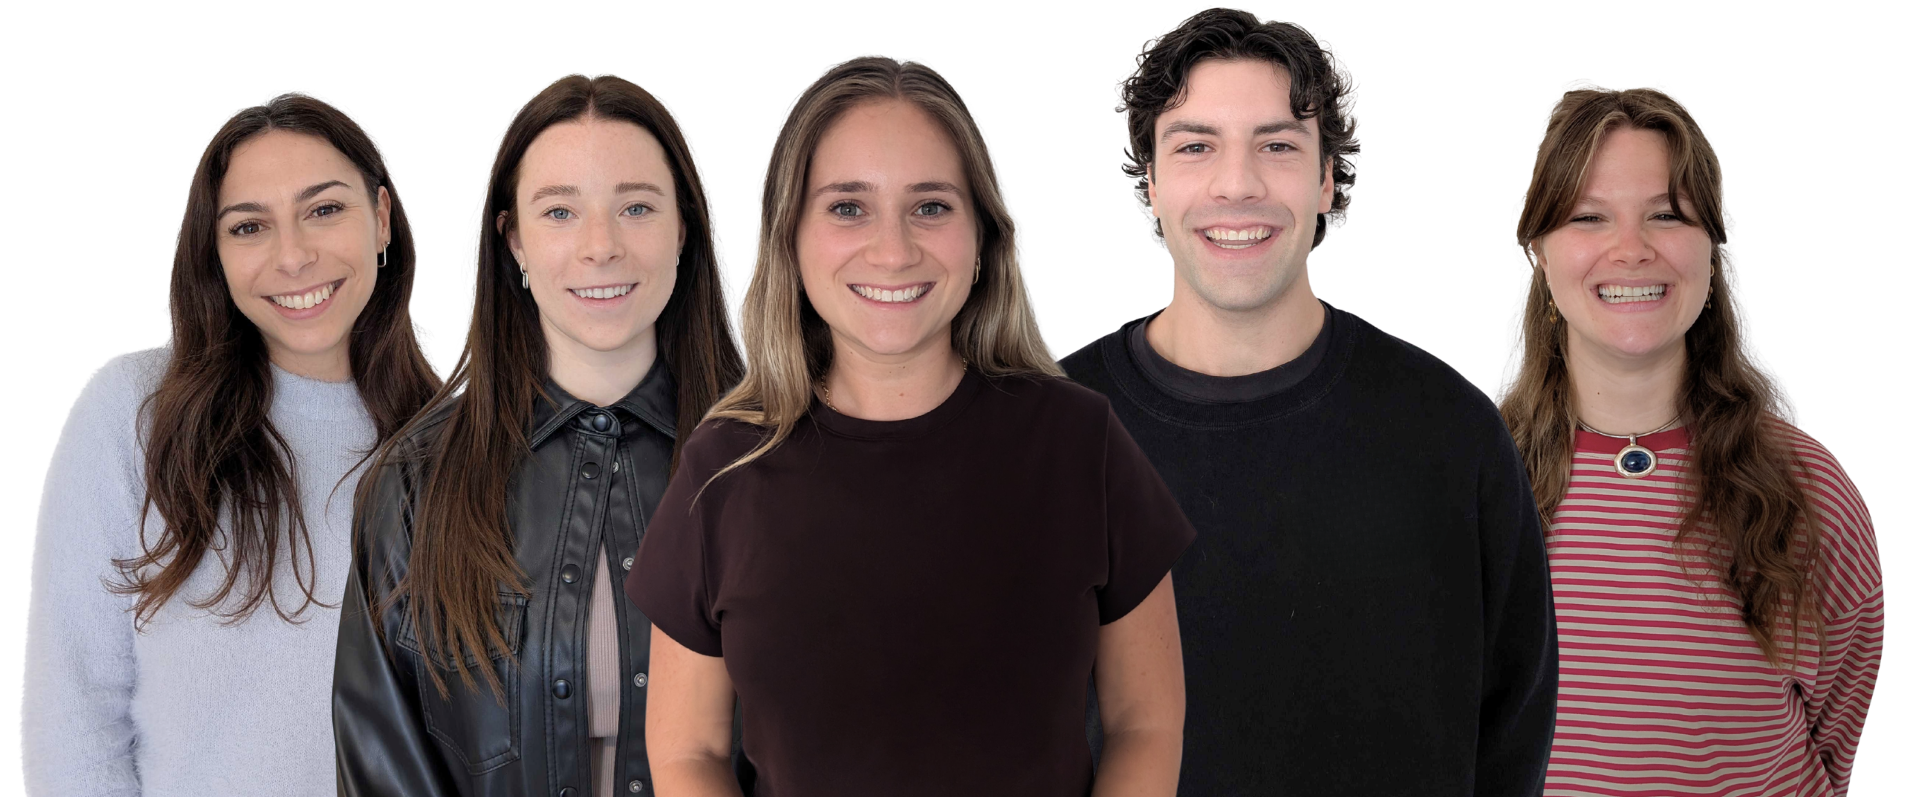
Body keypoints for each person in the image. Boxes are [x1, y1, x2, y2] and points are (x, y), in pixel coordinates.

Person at [630, 53, 1195, 797]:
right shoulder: (722, 470)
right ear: (789, 236)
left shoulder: (1080, 443)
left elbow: (1146, 722)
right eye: (847, 206)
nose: (892, 251)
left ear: (984, 237)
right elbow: (686, 751)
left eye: (930, 205)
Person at [1059, 9, 1559, 795]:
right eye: (1196, 146)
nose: (1238, 184)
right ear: (1149, 183)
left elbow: (1515, 720)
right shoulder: (1048, 434)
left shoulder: (1447, 429)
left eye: (1278, 145)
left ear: (1328, 178)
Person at [332, 72, 745, 797]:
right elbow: (383, 771)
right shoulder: (412, 487)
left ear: (683, 227)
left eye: (636, 207)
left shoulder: (770, 466)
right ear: (513, 240)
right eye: (559, 212)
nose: (600, 247)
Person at [21, 89, 439, 796]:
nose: (294, 256)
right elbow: (74, 716)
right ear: (213, 253)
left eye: (324, 209)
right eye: (249, 227)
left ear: (380, 219)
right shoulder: (135, 410)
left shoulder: (449, 436)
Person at [1490, 78, 1885, 796]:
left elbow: (1836, 737)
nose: (1631, 249)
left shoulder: (1808, 487)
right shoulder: (1474, 478)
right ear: (1540, 250)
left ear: (1712, 246)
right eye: (1588, 217)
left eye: (1667, 215)